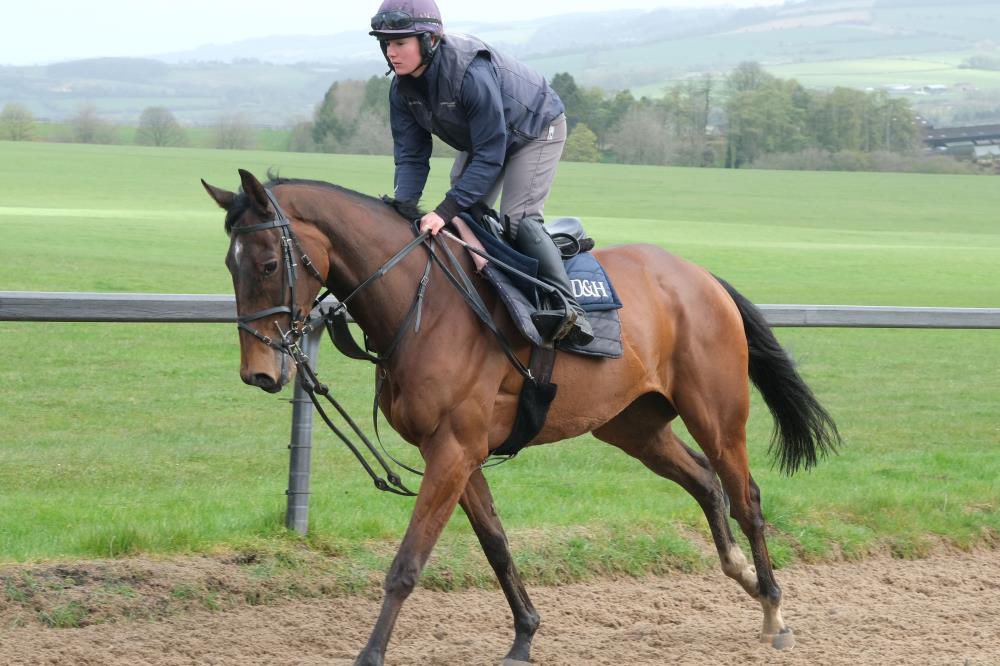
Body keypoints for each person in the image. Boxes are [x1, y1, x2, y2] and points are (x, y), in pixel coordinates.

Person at [369, 0, 594, 346]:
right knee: (466, 215)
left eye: (400, 43)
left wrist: (442, 212)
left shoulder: (469, 72)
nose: (391, 53)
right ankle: (492, 289)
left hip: (536, 127)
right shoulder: (401, 89)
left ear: (429, 40)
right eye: (386, 44)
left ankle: (568, 306)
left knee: (518, 219)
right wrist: (402, 207)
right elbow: (412, 156)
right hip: (488, 138)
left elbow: (491, 155)